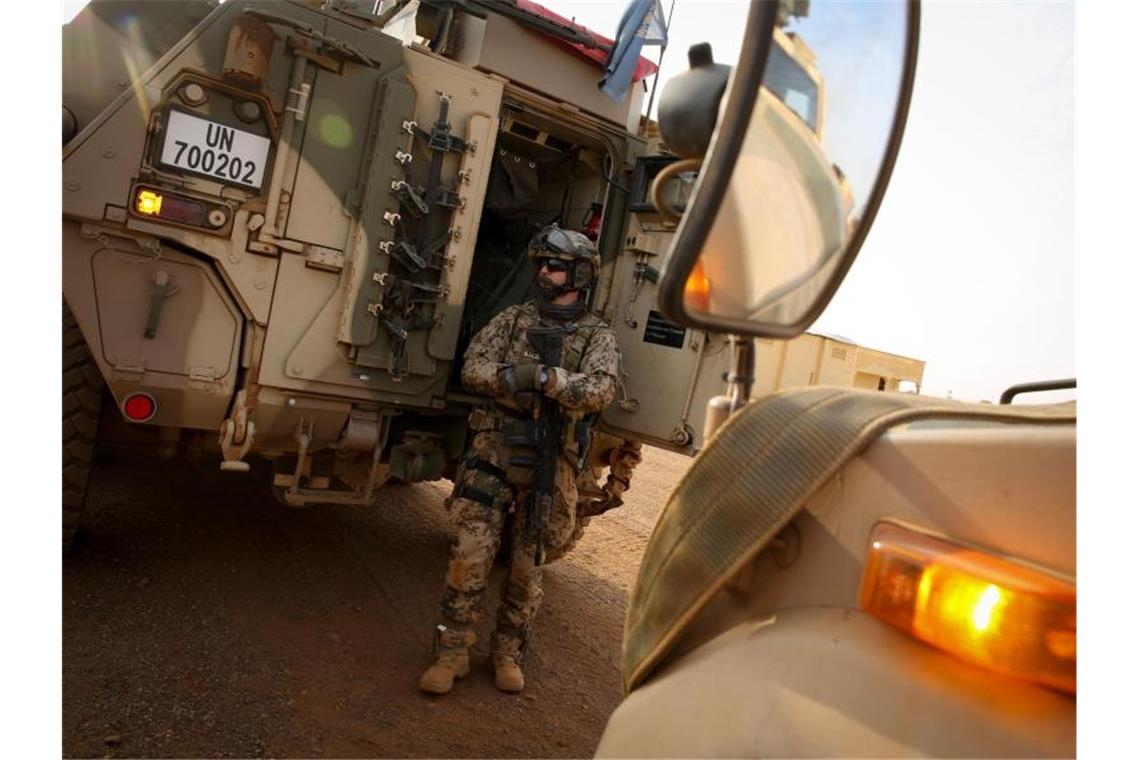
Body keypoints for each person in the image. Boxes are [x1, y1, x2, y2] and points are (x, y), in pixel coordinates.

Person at [419, 224, 621, 695]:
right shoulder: (513, 319)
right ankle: (451, 654)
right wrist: (512, 377)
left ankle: (508, 652)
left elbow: (601, 389)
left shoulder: (598, 335)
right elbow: (473, 368)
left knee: (529, 567)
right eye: (542, 265)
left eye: (553, 265)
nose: (544, 273)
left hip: (552, 455)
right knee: (469, 555)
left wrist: (549, 379)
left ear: (578, 274)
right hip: (496, 446)